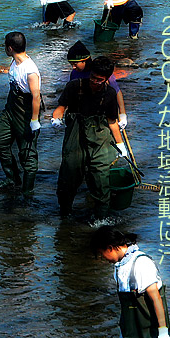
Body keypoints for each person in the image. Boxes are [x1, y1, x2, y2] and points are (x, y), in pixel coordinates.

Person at [90, 226, 170, 338]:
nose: (103, 259)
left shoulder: (141, 263)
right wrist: (123, 335)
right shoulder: (120, 267)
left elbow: (156, 299)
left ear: (110, 248)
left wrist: (163, 333)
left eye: (101, 254)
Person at [51, 57, 126, 219]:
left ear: (106, 79)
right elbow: (60, 108)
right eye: (92, 77)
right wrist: (55, 118)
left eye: (99, 80)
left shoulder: (110, 94)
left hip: (100, 138)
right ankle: (64, 215)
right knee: (68, 176)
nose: (94, 81)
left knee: (100, 178)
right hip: (75, 137)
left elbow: (112, 122)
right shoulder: (74, 86)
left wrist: (120, 144)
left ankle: (100, 221)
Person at [0, 32, 43, 196]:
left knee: (27, 152)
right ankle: (13, 178)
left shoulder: (30, 69)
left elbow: (36, 96)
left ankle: (27, 191)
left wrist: (34, 120)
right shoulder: (15, 62)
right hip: (11, 108)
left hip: (26, 111)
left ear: (10, 48)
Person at [66, 41, 128, 131]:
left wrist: (122, 114)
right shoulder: (74, 74)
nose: (73, 67)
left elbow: (116, 91)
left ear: (85, 61)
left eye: (75, 64)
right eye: (71, 64)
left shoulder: (100, 70)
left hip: (101, 114)